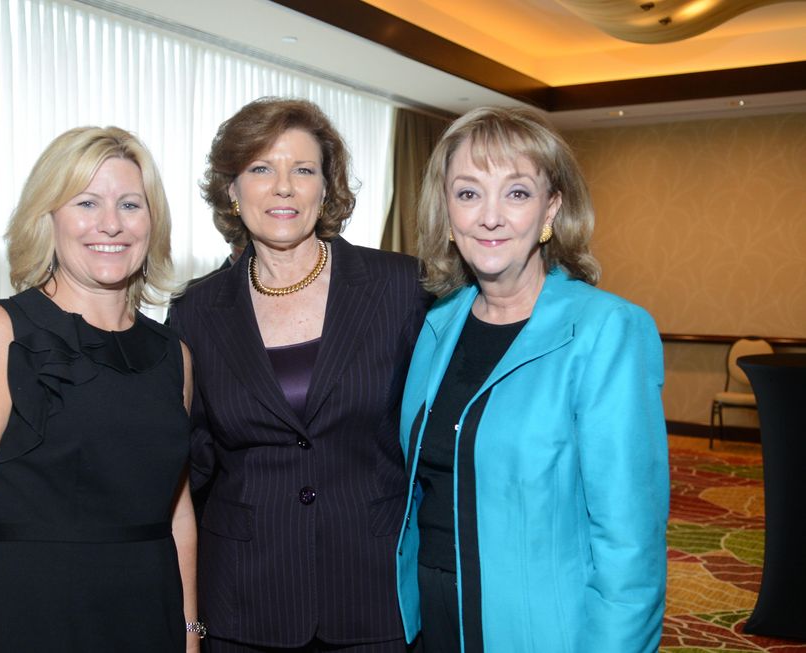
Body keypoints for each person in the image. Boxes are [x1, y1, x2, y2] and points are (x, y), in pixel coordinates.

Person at [395, 106, 669, 653]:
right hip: (432, 619)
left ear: (552, 209)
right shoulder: (436, 325)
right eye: (468, 194)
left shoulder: (606, 332)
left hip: (541, 629)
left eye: (516, 193)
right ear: (448, 213)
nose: (489, 217)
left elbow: (630, 545)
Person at [0, 126, 202, 652]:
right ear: (48, 218)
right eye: (87, 202)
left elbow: (179, 512)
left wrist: (191, 635)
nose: (111, 224)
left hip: (151, 616)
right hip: (35, 618)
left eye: (130, 204)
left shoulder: (174, 356)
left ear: (152, 221)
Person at [169, 97, 431, 652]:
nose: (283, 187)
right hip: (244, 599)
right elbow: (189, 466)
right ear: (232, 191)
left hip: (373, 592)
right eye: (261, 168)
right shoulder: (194, 310)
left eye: (303, 170)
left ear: (326, 189)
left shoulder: (402, 288)